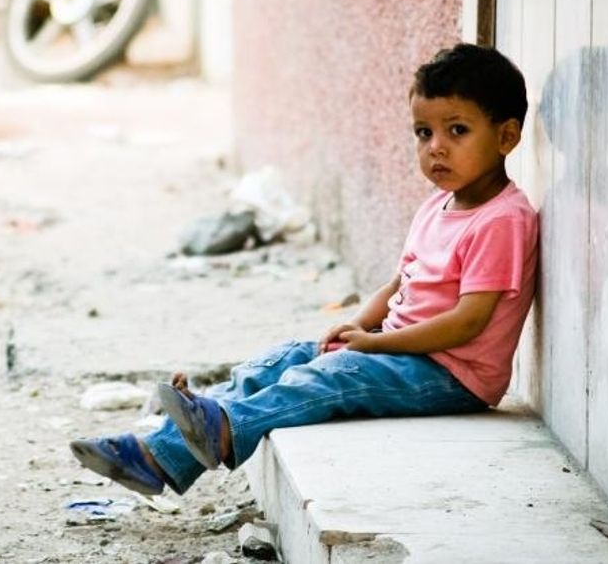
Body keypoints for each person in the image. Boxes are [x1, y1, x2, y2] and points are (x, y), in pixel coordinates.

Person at [69, 43, 539, 496]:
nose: (436, 148)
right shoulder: (438, 205)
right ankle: (159, 451)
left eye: (457, 131)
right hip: (404, 355)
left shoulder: (503, 220)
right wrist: (359, 323)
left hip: (451, 377)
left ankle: (209, 434)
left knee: (330, 376)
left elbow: (467, 322)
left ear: (506, 136)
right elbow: (401, 284)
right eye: (423, 133)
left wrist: (375, 343)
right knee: (288, 358)